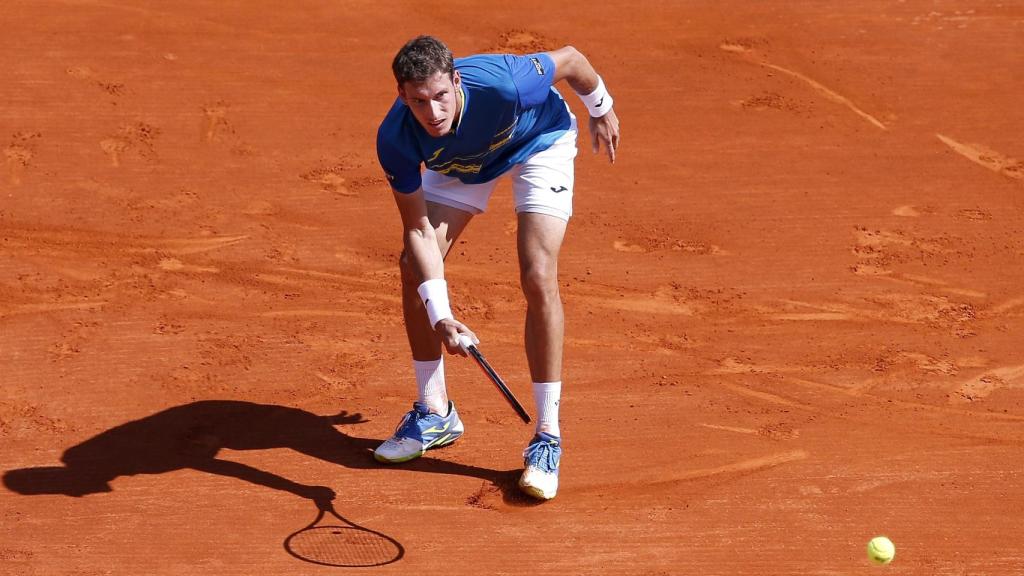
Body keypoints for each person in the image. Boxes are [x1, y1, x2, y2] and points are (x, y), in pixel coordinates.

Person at [373, 35, 619, 500]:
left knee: (537, 273)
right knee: (413, 268)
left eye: (442, 96)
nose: (433, 112)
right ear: (402, 96)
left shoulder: (507, 84)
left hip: (537, 141)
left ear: (457, 82)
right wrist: (441, 314)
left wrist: (599, 106)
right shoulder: (396, 137)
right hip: (464, 165)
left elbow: (571, 58)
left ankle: (547, 438)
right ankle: (434, 412)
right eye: (419, 101)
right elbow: (419, 230)